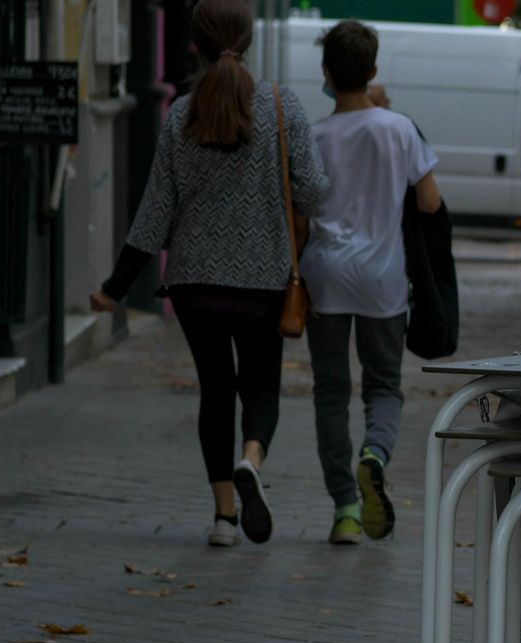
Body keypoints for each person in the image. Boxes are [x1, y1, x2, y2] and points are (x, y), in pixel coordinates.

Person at [91, 0, 327, 548]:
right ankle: (251, 460)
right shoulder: (281, 105)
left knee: (216, 390)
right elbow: (314, 191)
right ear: (247, 42)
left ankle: (223, 519)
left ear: (193, 45)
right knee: (261, 385)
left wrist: (113, 289)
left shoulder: (181, 114)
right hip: (265, 282)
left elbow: (154, 215)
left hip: (195, 284)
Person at [300, 20, 442, 545]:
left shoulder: (313, 135)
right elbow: (429, 202)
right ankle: (374, 453)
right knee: (383, 385)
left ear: (326, 74)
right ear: (374, 71)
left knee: (331, 393)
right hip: (383, 279)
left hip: (325, 277)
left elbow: (302, 206)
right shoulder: (399, 129)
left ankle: (344, 509)